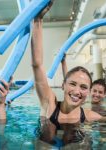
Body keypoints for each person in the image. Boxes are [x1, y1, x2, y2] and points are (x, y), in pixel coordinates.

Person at [31, 0, 105, 128]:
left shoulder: (89, 115)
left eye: (83, 87)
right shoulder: (49, 104)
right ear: (62, 85)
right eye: (72, 84)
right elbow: (37, 64)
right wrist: (38, 20)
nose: (77, 91)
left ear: (88, 92)